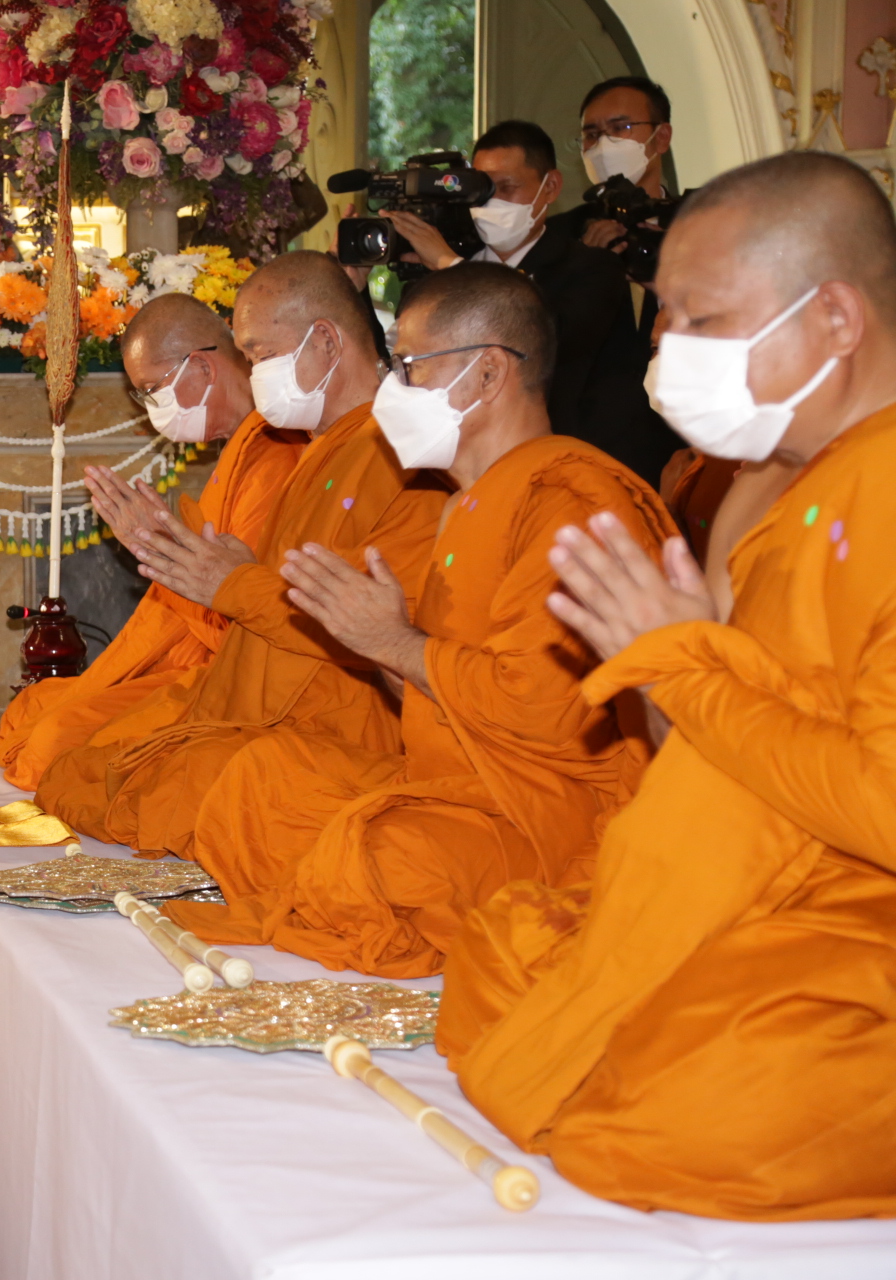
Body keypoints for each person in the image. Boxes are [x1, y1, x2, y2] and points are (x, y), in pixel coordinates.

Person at [440, 151, 896, 1219]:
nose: (665, 358)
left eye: (701, 320)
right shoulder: (795, 484)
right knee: (501, 950)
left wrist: (687, 664)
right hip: (737, 888)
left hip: (855, 916)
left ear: (834, 316)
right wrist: (665, 665)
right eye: (665, 321)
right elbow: (712, 750)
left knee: (706, 1101)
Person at [161, 264, 673, 977]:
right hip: (448, 784)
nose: (392, 391)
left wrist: (396, 645)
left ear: (489, 374)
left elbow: (548, 715)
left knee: (384, 858)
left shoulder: (569, 502)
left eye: (410, 368)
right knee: (265, 782)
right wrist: (378, 644)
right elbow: (429, 700)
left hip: (546, 811)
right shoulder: (466, 503)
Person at [33, 252, 449, 854]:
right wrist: (195, 567)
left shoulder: (400, 455)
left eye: (259, 356)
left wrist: (230, 583)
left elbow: (384, 635)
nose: (252, 378)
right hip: (262, 704)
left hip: (343, 724)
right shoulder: (324, 451)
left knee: (143, 786)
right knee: (82, 773)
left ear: (326, 340)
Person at [0, 295, 305, 790]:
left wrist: (161, 551)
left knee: (53, 745)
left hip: (230, 678)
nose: (149, 408)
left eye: (150, 390)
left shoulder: (277, 457)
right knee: (31, 712)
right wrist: (159, 549)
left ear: (201, 367)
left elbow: (242, 620)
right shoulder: (240, 449)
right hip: (197, 659)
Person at [385, 120, 681, 489]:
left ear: (550, 186)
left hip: (569, 473)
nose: (491, 202)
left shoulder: (591, 266)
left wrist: (451, 267)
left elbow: (546, 337)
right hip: (460, 472)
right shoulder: (441, 267)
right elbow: (398, 363)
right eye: (483, 189)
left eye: (507, 187)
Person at [547, 75, 676, 255]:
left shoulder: (696, 226)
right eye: (591, 135)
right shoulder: (556, 237)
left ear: (661, 137)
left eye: (620, 128)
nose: (603, 145)